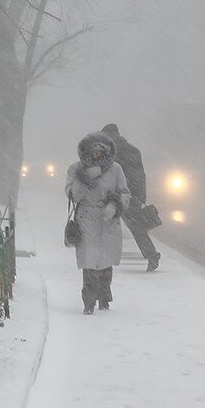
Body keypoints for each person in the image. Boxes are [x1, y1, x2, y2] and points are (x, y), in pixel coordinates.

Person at [66, 132, 131, 315]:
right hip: (86, 218)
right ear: (86, 151)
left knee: (105, 261)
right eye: (92, 150)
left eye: (100, 151)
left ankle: (104, 298)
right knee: (89, 262)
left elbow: (125, 193)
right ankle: (88, 301)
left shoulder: (116, 169)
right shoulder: (76, 169)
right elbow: (72, 195)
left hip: (108, 219)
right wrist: (86, 178)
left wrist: (115, 205)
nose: (96, 154)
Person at [101, 123, 161, 272]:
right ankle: (151, 254)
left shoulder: (110, 151)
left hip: (116, 193)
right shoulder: (133, 150)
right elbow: (140, 175)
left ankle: (102, 257)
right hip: (132, 193)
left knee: (104, 222)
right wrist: (141, 196)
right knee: (136, 227)